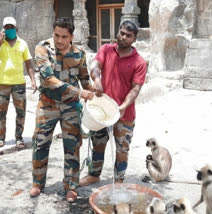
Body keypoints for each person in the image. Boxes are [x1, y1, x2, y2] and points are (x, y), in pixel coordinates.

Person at [29, 17, 94, 202]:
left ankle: (71, 187)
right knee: (40, 144)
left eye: (64, 36)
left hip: (71, 107)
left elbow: (84, 79)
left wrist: (93, 89)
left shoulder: (80, 54)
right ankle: (37, 183)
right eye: (56, 35)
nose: (59, 40)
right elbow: (48, 79)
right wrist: (80, 92)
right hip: (47, 104)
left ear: (71, 36)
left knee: (72, 146)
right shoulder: (42, 49)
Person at [79, 20, 147, 186]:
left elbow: (135, 89)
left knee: (122, 149)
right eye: (121, 33)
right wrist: (97, 79)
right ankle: (94, 175)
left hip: (125, 114)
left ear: (134, 39)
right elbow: (95, 64)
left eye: (128, 35)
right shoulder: (106, 49)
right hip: (102, 109)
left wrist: (123, 105)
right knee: (98, 144)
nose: (123, 37)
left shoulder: (139, 62)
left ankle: (119, 180)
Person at [0, 17, 37, 148]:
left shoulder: (23, 43)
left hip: (19, 83)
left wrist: (33, 80)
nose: (9, 29)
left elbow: (28, 63)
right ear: (3, 29)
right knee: (1, 112)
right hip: (2, 83)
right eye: (7, 27)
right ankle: (0, 138)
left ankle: (19, 137)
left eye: (11, 27)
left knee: (21, 112)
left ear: (16, 28)